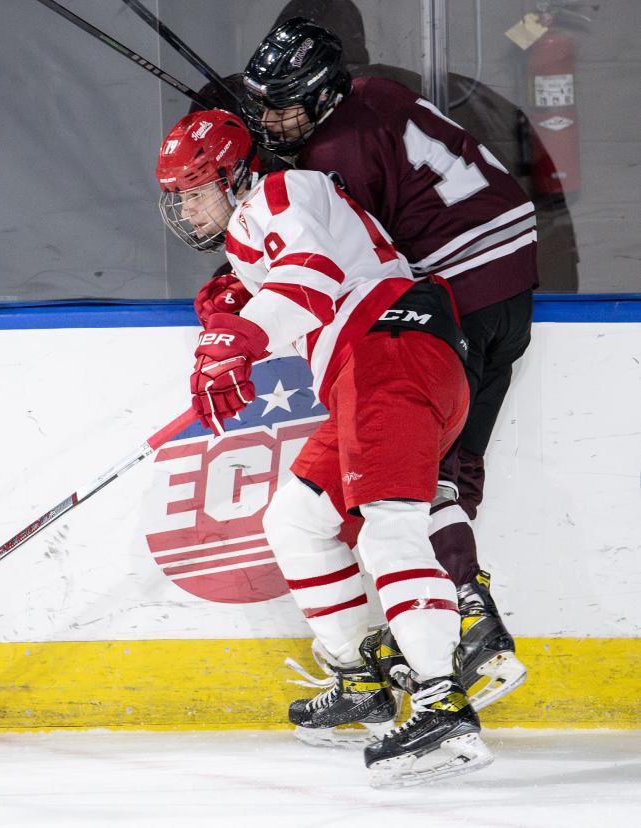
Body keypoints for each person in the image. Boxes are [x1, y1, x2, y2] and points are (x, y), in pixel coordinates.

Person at [156, 108, 492, 788]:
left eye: (195, 189)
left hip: (390, 358)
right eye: (179, 195)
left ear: (234, 174)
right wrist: (228, 346)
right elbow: (296, 295)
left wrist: (238, 341)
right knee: (297, 518)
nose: (185, 208)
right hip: (372, 373)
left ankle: (441, 700)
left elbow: (309, 279)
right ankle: (362, 674)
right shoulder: (257, 237)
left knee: (391, 529)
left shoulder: (280, 195)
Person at [231, 17, 532, 714]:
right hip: (513, 285)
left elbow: (341, 248)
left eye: (284, 104)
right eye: (265, 104)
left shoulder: (333, 152)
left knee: (408, 468)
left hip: (456, 292)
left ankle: (469, 619)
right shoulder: (374, 95)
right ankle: (467, 609)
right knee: (449, 468)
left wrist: (258, 190)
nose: (272, 118)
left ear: (323, 94)